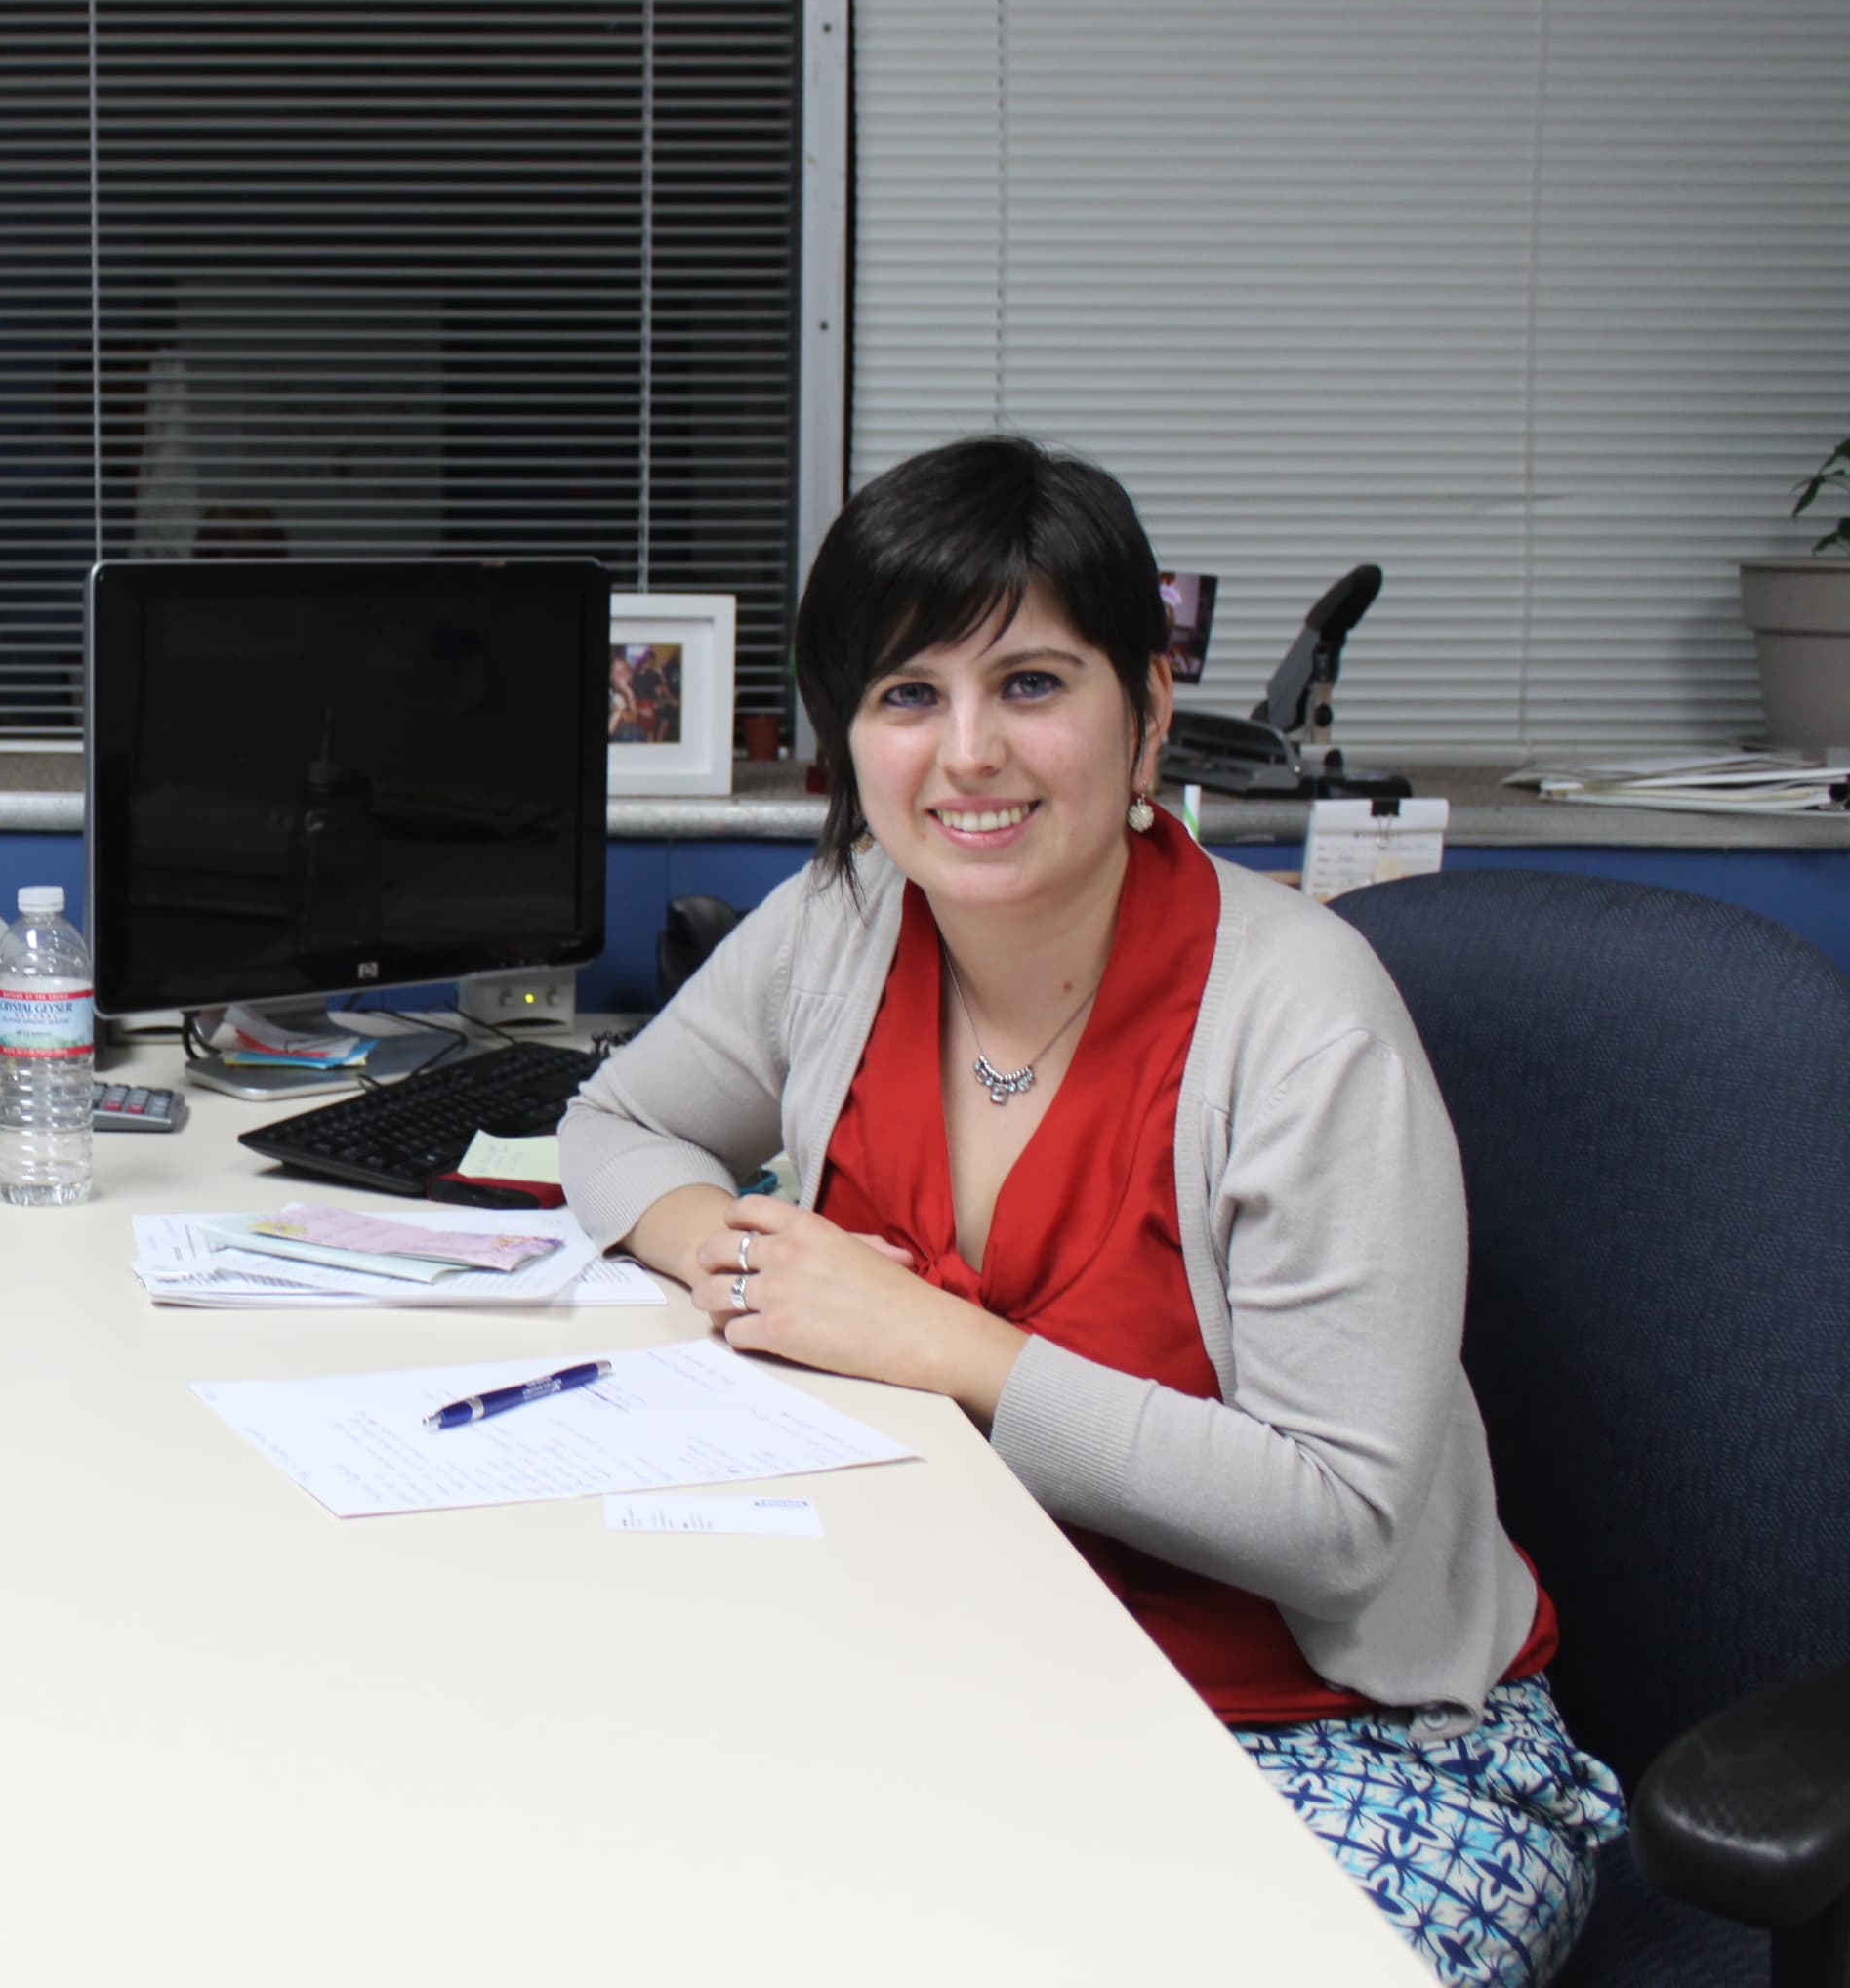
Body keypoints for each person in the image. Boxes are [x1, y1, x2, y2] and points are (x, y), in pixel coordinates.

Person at [560, 437, 1622, 1988]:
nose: (968, 752)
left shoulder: (1298, 1018)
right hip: (968, 1683)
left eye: (1034, 685)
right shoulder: (842, 925)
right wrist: (759, 1266)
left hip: (1348, 1745)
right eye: (907, 695)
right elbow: (619, 1125)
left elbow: (1343, 1522)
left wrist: (941, 1348)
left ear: (1147, 721)